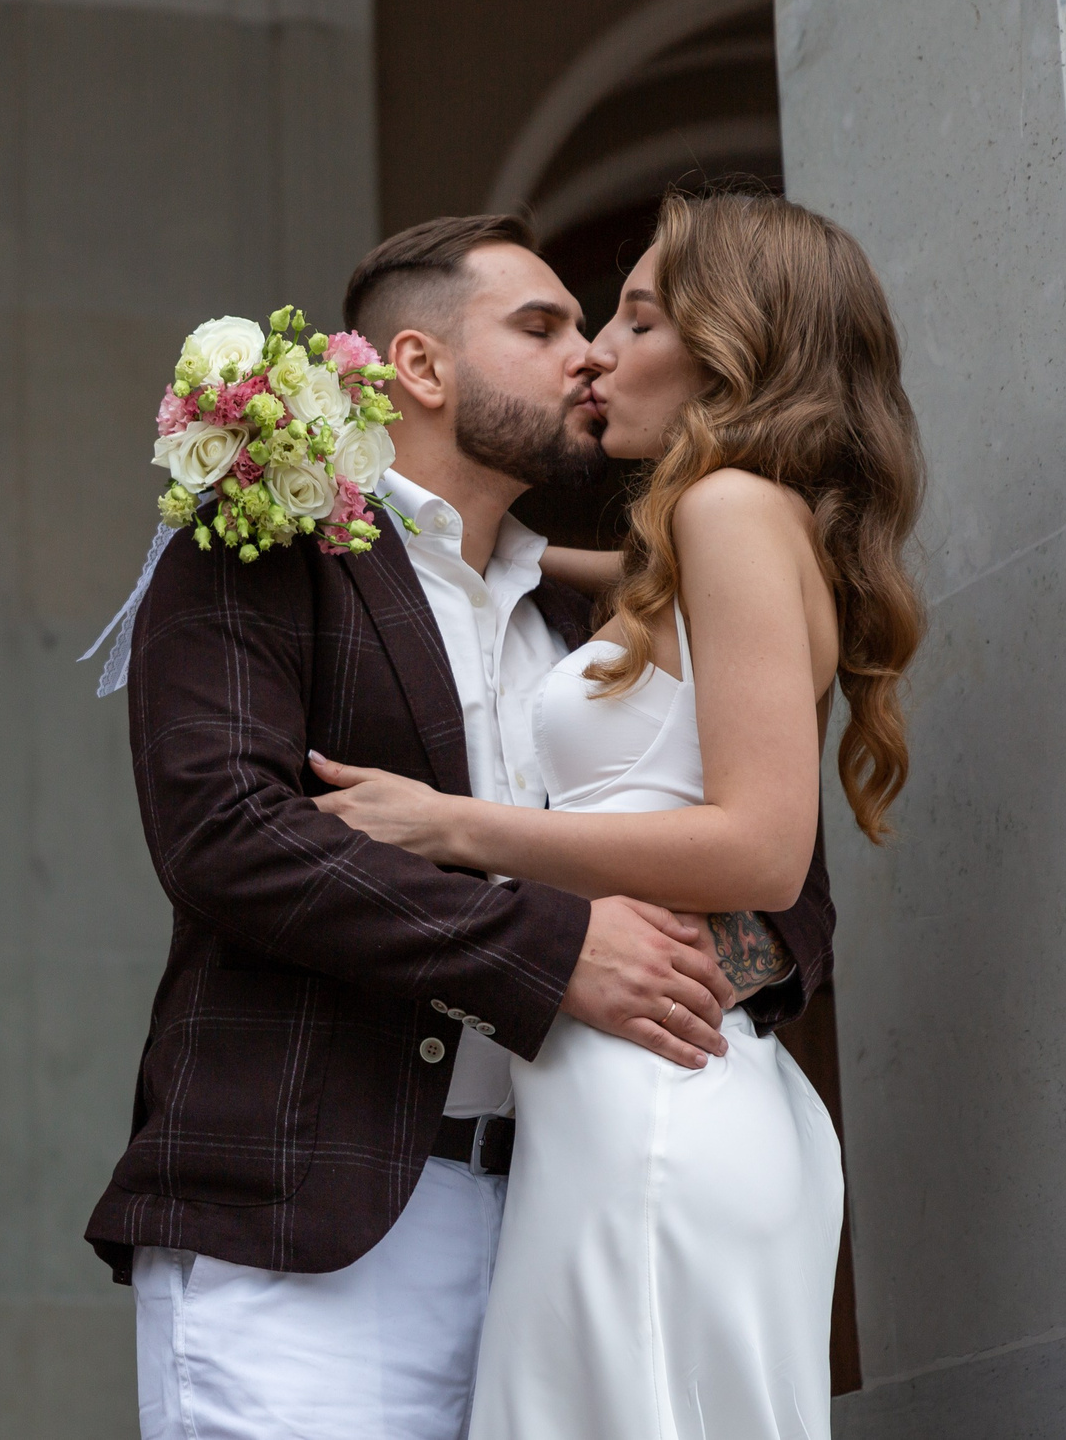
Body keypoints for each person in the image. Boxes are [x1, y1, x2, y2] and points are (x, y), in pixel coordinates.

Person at [88, 210, 837, 1440]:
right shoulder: (271, 541)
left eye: (599, 327)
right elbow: (227, 832)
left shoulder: (583, 624)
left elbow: (768, 867)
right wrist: (549, 950)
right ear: (420, 369)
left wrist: (714, 969)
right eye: (542, 328)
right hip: (310, 1228)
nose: (586, 355)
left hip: (566, 1205)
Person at [310, 190, 923, 1438]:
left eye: (636, 318)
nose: (599, 351)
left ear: (724, 348)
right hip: (618, 1097)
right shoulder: (694, 538)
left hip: (655, 1104)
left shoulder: (728, 510)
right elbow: (510, 562)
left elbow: (760, 846)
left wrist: (457, 826)